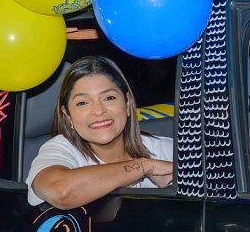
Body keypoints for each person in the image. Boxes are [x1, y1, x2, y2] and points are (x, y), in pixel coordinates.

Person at [27, 55, 174, 209]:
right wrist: (144, 166)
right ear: (68, 115)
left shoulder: (165, 150)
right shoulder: (61, 150)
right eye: (82, 103)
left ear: (127, 103)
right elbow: (61, 191)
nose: (98, 110)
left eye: (109, 98)